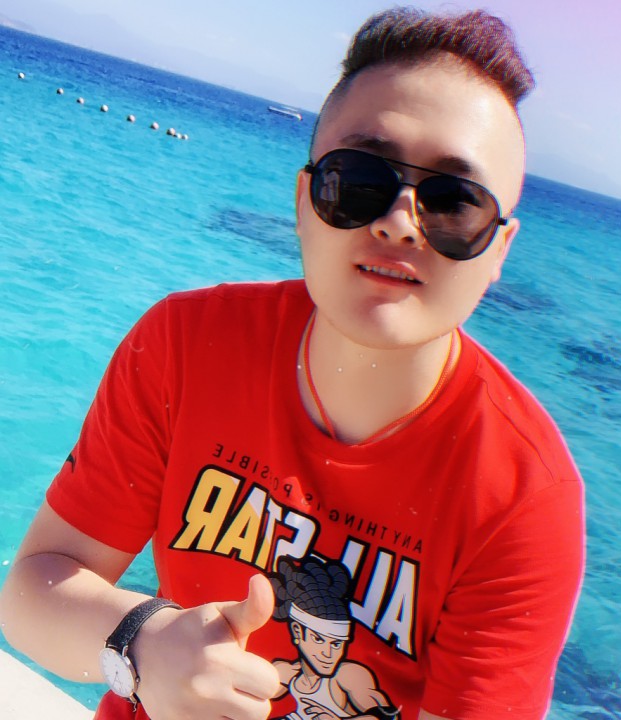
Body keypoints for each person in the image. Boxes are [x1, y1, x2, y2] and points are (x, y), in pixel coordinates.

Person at [0, 7, 585, 720]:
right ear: (305, 202)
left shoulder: (522, 495)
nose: (399, 222)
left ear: (498, 251)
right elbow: (32, 592)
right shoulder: (186, 346)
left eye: (454, 203)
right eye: (359, 180)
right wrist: (143, 644)